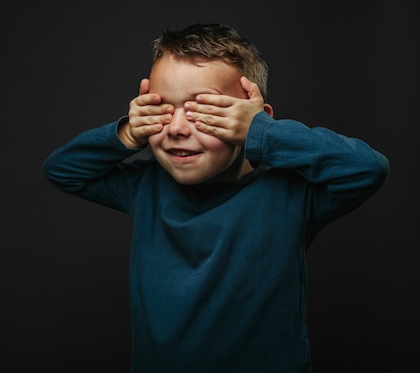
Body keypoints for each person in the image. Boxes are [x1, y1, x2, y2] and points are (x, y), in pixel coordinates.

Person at [42, 23, 389, 372]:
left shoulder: (292, 193)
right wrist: (128, 132)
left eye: (203, 112)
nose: (177, 128)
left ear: (252, 119)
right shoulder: (145, 186)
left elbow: (367, 169)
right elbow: (63, 169)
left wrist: (260, 132)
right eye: (162, 110)